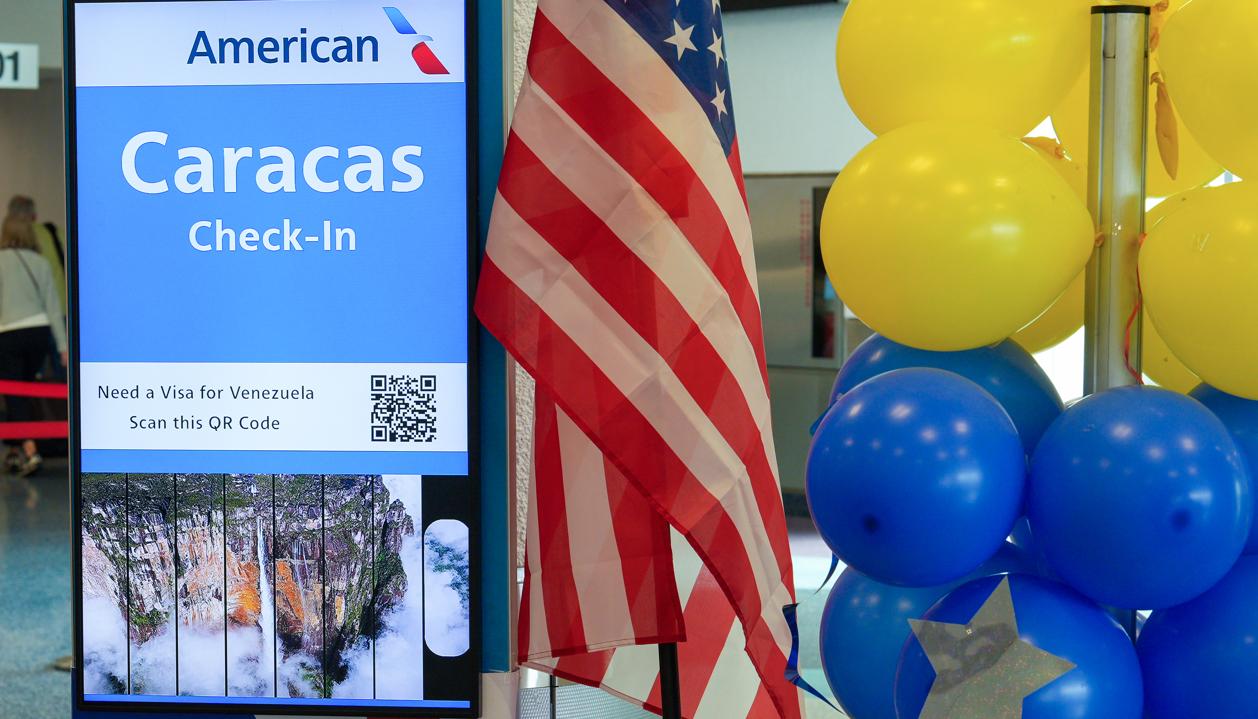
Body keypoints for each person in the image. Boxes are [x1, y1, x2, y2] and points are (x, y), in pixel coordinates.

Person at [0, 216, 68, 476]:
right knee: (26, 391)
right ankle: (15, 451)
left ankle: (29, 450)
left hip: (8, 334)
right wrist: (62, 345)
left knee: (13, 394)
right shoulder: (40, 262)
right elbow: (53, 305)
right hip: (39, 333)